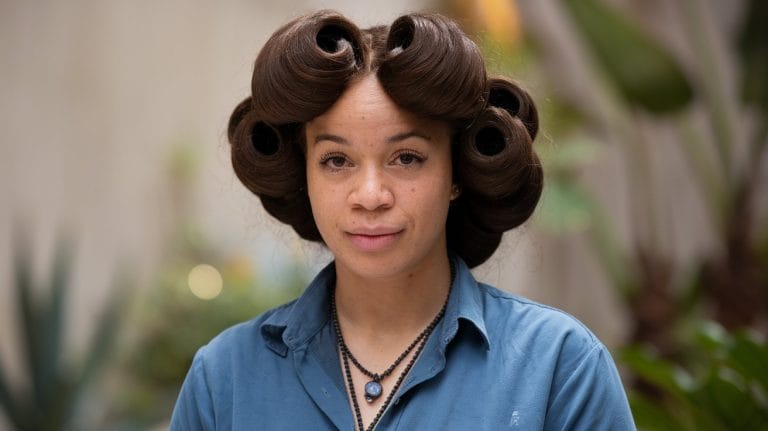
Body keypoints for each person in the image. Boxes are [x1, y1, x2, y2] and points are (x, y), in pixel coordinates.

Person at [170, 10, 636, 431]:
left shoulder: (560, 367)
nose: (371, 196)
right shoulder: (224, 378)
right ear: (303, 175)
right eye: (336, 160)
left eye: (407, 158)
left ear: (457, 171)